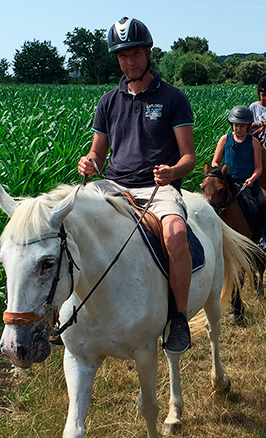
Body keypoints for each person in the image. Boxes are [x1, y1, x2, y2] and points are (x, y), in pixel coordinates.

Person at [77, 17, 196, 355]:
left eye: (134, 54)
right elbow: (97, 154)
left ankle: (179, 317)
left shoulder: (173, 98)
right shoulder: (108, 101)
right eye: (122, 56)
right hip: (115, 186)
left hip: (159, 187)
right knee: (70, 223)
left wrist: (172, 172)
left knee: (174, 233)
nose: (129, 62)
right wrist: (89, 164)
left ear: (148, 52)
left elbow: (189, 157)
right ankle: (66, 310)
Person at [210, 105, 266, 253]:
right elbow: (214, 162)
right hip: (228, 181)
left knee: (260, 203)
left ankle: (263, 237)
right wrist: (220, 172)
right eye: (235, 125)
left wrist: (252, 179)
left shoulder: (253, 142)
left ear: (247, 126)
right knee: (212, 201)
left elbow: (258, 168)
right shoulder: (225, 139)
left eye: (242, 126)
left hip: (248, 183)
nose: (238, 129)